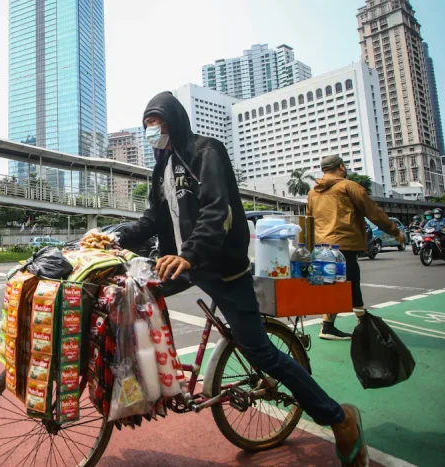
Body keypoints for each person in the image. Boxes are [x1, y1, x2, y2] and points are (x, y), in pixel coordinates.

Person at [119, 92, 368, 466]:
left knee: (262, 353)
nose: (155, 132)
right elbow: (152, 220)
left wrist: (188, 255)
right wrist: (114, 238)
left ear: (176, 122)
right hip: (183, 263)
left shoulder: (206, 152)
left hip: (221, 266)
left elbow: (218, 211)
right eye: (150, 126)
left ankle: (339, 417)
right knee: (131, 294)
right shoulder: (162, 167)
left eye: (160, 124)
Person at [307, 155, 404, 340]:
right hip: (344, 243)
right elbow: (374, 213)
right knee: (352, 284)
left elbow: (310, 220)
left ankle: (328, 326)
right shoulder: (348, 186)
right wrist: (395, 231)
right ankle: (364, 324)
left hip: (322, 246)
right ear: (341, 167)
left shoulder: (313, 193)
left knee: (333, 285)